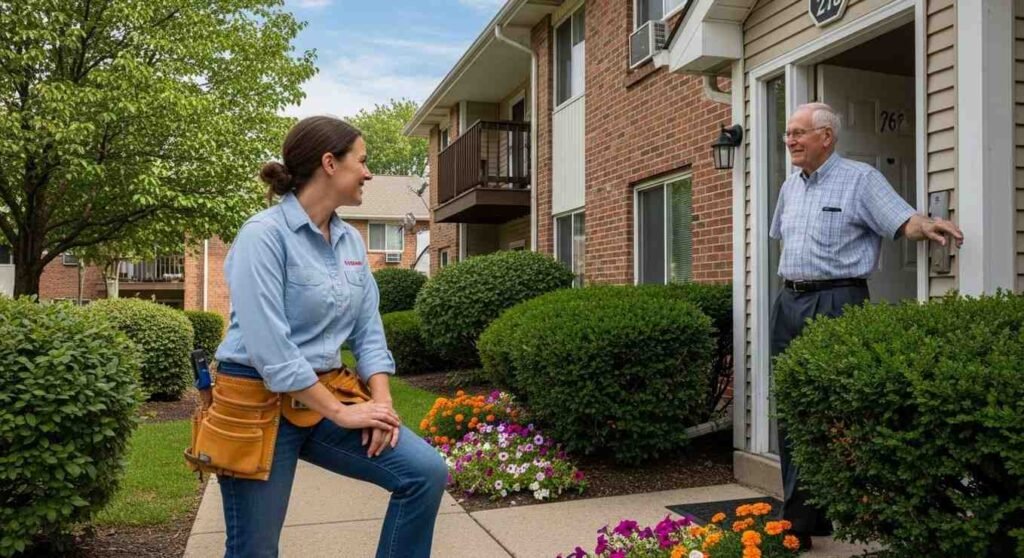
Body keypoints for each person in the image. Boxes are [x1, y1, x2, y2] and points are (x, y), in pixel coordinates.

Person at [212, 116, 448, 558]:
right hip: (257, 402)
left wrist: (380, 405)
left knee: (424, 472)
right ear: (329, 164)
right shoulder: (263, 237)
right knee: (255, 549)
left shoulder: (350, 242)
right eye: (361, 160)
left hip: (323, 398)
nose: (368, 172)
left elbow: (368, 332)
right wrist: (342, 414)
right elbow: (273, 352)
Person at [769, 102, 963, 549]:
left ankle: (839, 512)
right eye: (788, 134)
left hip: (838, 298)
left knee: (839, 409)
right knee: (794, 407)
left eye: (799, 133)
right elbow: (786, 241)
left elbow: (903, 220)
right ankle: (802, 517)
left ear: (826, 137)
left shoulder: (860, 179)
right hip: (790, 300)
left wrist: (928, 224)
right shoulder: (789, 187)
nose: (790, 141)